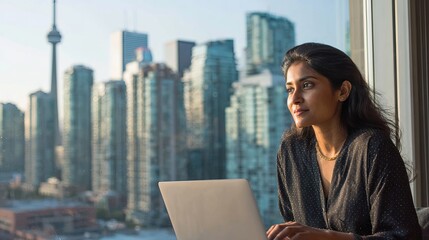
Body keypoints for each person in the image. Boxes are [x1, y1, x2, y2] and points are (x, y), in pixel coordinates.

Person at [266, 43, 422, 240]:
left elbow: (404, 236)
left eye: (307, 85)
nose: (295, 98)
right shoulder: (291, 150)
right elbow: (292, 229)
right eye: (290, 89)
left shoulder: (372, 147)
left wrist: (330, 237)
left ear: (343, 91)